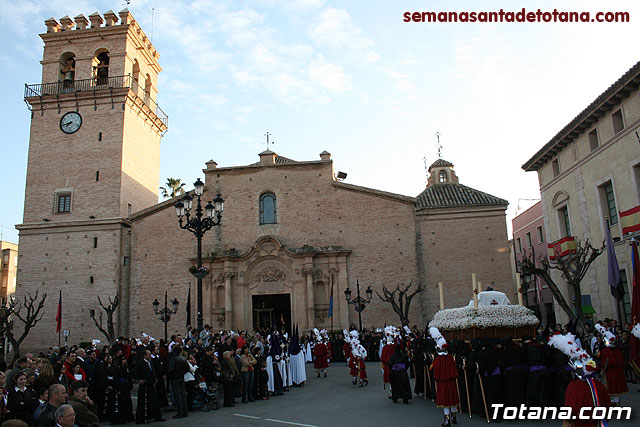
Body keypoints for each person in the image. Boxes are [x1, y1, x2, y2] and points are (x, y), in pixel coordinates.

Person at [430, 328, 459, 426]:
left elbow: (435, 373)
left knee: (445, 401)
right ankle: (454, 416)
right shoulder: (450, 357)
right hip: (451, 382)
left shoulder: (438, 360)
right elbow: (454, 370)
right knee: (452, 399)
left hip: (442, 383)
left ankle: (447, 419)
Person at [595, 324, 628, 405]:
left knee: (613, 387)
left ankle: (616, 402)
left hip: (610, 372)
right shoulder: (617, 350)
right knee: (617, 387)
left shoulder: (605, 351)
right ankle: (616, 401)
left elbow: (604, 363)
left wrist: (602, 369)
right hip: (618, 371)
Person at [167, 345, 188, 419]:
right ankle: (185, 411)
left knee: (178, 395)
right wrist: (182, 373)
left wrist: (170, 375)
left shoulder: (173, 358)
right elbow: (187, 368)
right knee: (183, 394)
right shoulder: (182, 358)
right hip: (181, 377)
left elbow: (171, 369)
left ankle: (180, 412)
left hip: (175, 378)